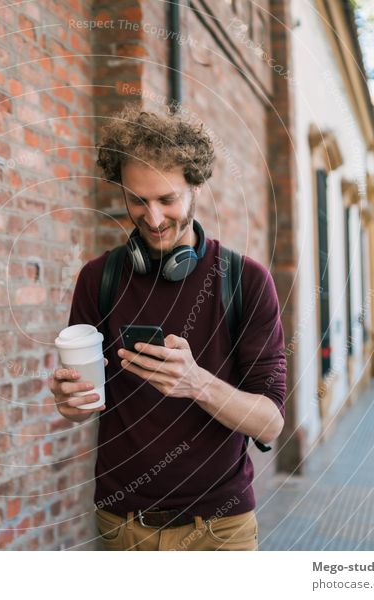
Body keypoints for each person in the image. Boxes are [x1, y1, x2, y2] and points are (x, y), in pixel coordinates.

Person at [48, 105, 286, 551]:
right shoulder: (97, 280)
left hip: (220, 531)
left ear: (196, 187)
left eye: (167, 199)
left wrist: (196, 382)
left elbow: (270, 425)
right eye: (138, 200)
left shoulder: (246, 282)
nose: (153, 218)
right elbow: (82, 406)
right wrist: (70, 401)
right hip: (121, 525)